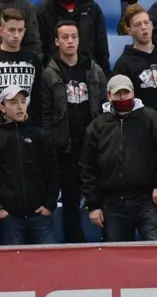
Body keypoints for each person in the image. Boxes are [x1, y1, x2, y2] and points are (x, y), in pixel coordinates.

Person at [80, 74, 157, 242]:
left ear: (133, 93)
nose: (122, 97)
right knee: (115, 260)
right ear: (109, 95)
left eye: (125, 93)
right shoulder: (97, 126)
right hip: (112, 203)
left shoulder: (153, 119)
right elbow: (87, 166)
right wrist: (94, 205)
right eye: (117, 93)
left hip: (147, 199)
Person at [41, 21, 107, 244]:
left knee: (101, 198)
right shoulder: (49, 74)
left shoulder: (94, 69)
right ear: (57, 42)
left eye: (74, 36)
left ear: (79, 40)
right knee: (70, 201)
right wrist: (52, 145)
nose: (70, 41)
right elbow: (46, 115)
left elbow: (105, 106)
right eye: (65, 37)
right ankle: (75, 245)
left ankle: (108, 241)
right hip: (66, 148)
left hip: (93, 146)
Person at [0, 85, 58, 245]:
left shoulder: (40, 135)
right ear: (2, 107)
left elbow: (52, 172)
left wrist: (49, 206)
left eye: (23, 101)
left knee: (50, 265)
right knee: (14, 268)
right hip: (10, 218)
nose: (20, 106)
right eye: (13, 102)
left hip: (40, 216)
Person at [114, 4, 157, 112]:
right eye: (137, 25)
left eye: (146, 22)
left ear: (151, 24)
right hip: (145, 123)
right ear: (129, 30)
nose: (143, 27)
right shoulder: (124, 64)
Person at [36, 0, 110, 73]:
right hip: (55, 75)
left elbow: (101, 49)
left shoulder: (92, 8)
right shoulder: (43, 10)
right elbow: (39, 50)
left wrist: (104, 75)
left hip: (89, 74)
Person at [0, 8, 43, 125]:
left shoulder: (33, 60)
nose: (16, 35)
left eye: (20, 30)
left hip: (27, 127)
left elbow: (38, 97)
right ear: (1, 31)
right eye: (12, 30)